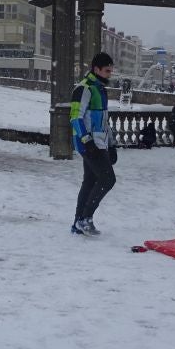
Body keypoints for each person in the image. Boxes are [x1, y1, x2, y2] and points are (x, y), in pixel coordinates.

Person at [70, 52, 118, 236]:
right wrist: (86, 141)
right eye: (107, 71)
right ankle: (85, 219)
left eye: (111, 71)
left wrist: (111, 144)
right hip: (89, 144)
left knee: (90, 181)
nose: (109, 74)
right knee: (108, 179)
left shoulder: (100, 89)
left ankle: (77, 223)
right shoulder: (84, 88)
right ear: (96, 69)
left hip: (100, 143)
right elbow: (75, 117)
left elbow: (104, 121)